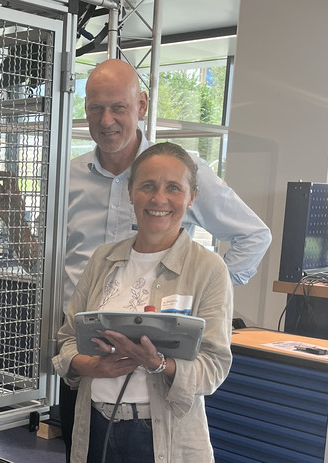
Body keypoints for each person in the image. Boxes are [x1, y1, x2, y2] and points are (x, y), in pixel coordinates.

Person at [0, 58, 270, 459]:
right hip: (88, 364)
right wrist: (16, 220)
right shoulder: (67, 179)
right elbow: (43, 267)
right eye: (95, 108)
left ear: (141, 105)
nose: (107, 120)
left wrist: (212, 291)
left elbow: (254, 235)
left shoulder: (182, 169)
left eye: (118, 107)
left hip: (160, 381)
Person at [53, 142, 233, 462]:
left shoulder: (208, 269)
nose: (159, 199)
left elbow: (214, 367)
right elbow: (67, 339)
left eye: (173, 188)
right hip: (94, 426)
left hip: (161, 436)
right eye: (147, 186)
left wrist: (158, 364)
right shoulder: (103, 259)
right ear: (131, 192)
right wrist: (92, 366)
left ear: (191, 197)